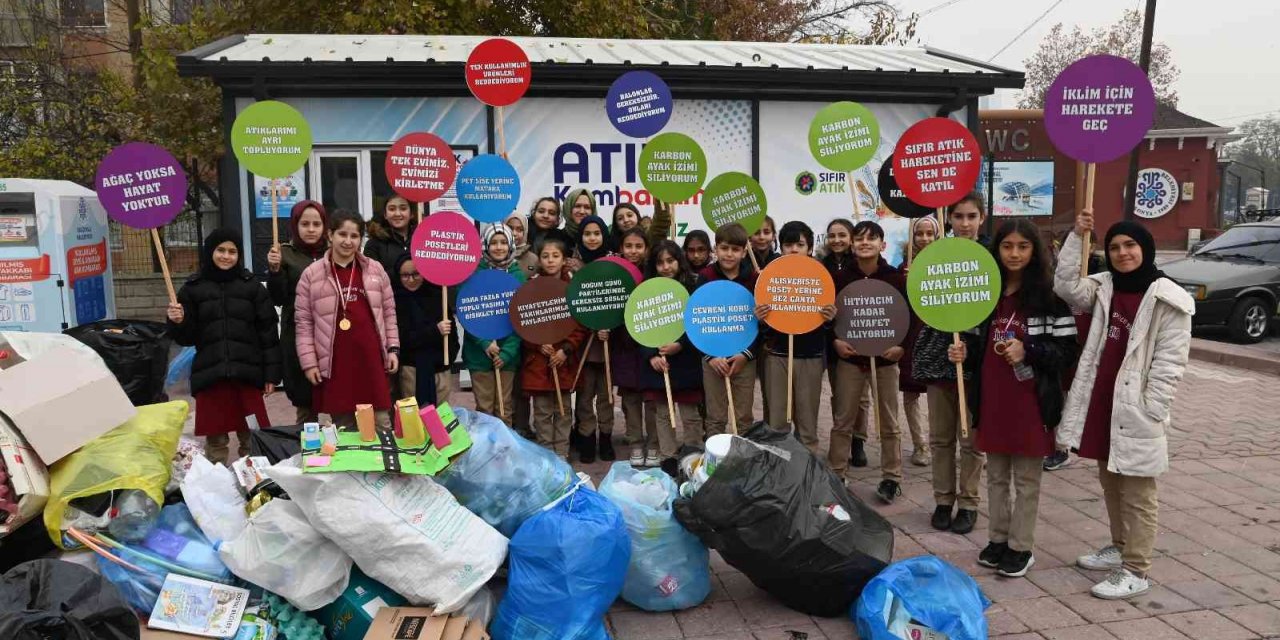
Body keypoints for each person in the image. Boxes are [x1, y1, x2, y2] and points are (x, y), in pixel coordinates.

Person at [1055, 211, 1193, 600]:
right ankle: (1119, 545)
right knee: (1111, 482)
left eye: (1130, 245)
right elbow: (1065, 286)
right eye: (1114, 246)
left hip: (1136, 407)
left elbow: (1171, 360)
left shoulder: (1169, 297)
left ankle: (1136, 568)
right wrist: (1076, 237)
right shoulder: (1103, 286)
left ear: (1145, 248)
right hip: (1102, 402)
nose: (1122, 252)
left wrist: (1152, 407)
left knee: (1138, 491)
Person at [949, 219, 1079, 578]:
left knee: (1025, 480)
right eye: (1007, 246)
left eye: (1023, 246)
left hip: (1031, 402)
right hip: (993, 399)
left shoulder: (1052, 300)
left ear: (1035, 251)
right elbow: (978, 346)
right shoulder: (986, 295)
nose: (1015, 254)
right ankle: (997, 539)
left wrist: (1030, 349)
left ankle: (1021, 547)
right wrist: (965, 353)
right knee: (995, 477)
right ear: (997, 250)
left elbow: (1067, 352)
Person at [167, 229, 280, 464]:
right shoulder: (193, 289)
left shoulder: (252, 288)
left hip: (248, 376)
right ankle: (218, 485)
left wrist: (271, 374)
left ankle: (254, 485)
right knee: (216, 442)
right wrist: (177, 321)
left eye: (232, 251)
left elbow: (268, 334)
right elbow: (186, 338)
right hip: (211, 376)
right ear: (210, 252)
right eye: (221, 250)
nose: (226, 256)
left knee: (252, 437)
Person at [912, 193, 988, 535]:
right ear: (949, 219)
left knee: (971, 439)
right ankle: (943, 500)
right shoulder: (936, 257)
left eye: (971, 216)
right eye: (958, 216)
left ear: (982, 218)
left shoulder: (991, 257)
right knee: (941, 437)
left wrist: (973, 347)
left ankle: (969, 502)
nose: (965, 223)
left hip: (978, 362)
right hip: (939, 360)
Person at [296, 210, 399, 430]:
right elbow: (304, 323)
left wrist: (393, 349)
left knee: (381, 423)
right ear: (330, 235)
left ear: (361, 239)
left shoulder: (375, 270)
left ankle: (382, 463)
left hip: (371, 360)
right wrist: (309, 363)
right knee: (345, 427)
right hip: (335, 363)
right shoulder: (311, 274)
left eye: (354, 236)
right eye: (342, 234)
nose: (348, 241)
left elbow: (389, 312)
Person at [829, 221, 907, 504]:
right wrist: (835, 341)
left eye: (871, 239)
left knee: (889, 421)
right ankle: (836, 474)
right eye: (859, 239)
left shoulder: (895, 278)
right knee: (843, 420)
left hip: (885, 362)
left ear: (882, 245)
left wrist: (901, 347)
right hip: (851, 360)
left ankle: (891, 477)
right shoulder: (840, 278)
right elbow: (829, 319)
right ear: (851, 245)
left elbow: (908, 319)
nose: (864, 243)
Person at [756, 221, 834, 456]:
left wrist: (830, 318)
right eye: (788, 244)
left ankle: (807, 472)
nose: (793, 250)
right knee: (777, 421)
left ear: (809, 248)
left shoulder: (821, 275)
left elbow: (830, 322)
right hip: (778, 354)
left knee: (807, 421)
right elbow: (762, 325)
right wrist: (761, 318)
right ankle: (778, 472)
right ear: (781, 247)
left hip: (810, 356)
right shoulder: (770, 275)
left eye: (800, 244)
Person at [520, 235, 589, 458]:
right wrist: (537, 344)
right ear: (539, 260)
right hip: (539, 364)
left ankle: (562, 453)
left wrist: (565, 349)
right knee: (541, 411)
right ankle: (546, 456)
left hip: (564, 362)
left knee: (563, 410)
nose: (550, 261)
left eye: (555, 256)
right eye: (545, 256)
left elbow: (581, 324)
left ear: (564, 260)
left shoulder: (572, 287)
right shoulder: (530, 287)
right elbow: (523, 321)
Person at [640, 241, 704, 473]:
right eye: (660, 262)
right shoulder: (646, 290)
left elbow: (698, 323)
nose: (666, 267)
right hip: (660, 363)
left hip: (686, 361)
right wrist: (650, 356)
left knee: (690, 414)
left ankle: (693, 455)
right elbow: (638, 327)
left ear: (679, 261)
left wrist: (680, 345)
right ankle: (667, 456)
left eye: (670, 261)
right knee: (663, 414)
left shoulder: (692, 287)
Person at [266, 200, 327, 423]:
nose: (311, 229)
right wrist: (274, 271)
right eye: (305, 224)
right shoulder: (284, 253)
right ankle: (307, 450)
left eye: (316, 224)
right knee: (306, 401)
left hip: (331, 333)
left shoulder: (333, 252)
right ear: (295, 225)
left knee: (337, 398)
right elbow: (278, 298)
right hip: (299, 332)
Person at [695, 223, 758, 436]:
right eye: (724, 248)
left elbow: (761, 322)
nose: (729, 254)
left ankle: (743, 461)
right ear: (715, 249)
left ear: (744, 251)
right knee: (715, 417)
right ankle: (715, 465)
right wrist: (711, 356)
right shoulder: (706, 276)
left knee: (743, 417)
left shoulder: (754, 279)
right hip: (713, 358)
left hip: (744, 357)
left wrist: (746, 354)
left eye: (735, 249)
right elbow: (697, 319)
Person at [821, 218, 873, 467]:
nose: (837, 240)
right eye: (832, 235)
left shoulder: (861, 265)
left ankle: (858, 440)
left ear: (851, 238)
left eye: (842, 235)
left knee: (862, 397)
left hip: (861, 337)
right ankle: (843, 437)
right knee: (840, 395)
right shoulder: (821, 266)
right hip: (833, 340)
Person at [463, 224, 525, 426]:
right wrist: (484, 343)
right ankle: (486, 453)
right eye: (494, 243)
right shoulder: (474, 274)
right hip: (479, 355)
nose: (499, 247)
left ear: (511, 244)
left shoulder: (517, 276)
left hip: (507, 355)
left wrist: (507, 352)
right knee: (484, 410)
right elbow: (467, 312)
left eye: (503, 242)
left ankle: (504, 452)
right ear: (486, 245)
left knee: (505, 409)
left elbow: (521, 318)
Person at [611, 227, 659, 465]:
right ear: (621, 248)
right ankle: (635, 443)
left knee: (651, 400)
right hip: (625, 347)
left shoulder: (653, 275)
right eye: (628, 246)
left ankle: (654, 444)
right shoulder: (614, 274)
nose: (633, 251)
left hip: (649, 345)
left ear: (646, 249)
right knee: (630, 399)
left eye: (638, 246)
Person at [573, 215, 616, 463]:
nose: (592, 238)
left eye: (596, 233)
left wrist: (609, 327)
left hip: (606, 342)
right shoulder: (572, 265)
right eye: (587, 233)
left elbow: (619, 299)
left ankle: (606, 437)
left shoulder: (613, 263)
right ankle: (587, 438)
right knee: (584, 396)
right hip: (583, 345)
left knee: (606, 395)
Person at [899, 216, 939, 466]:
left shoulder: (948, 262)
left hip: (940, 335)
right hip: (912, 334)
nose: (924, 238)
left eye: (929, 233)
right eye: (919, 233)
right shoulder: (904, 266)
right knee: (911, 392)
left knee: (942, 394)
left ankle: (943, 443)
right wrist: (906, 281)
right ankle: (920, 444)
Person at [392, 254, 457, 408]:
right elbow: (402, 338)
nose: (411, 280)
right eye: (405, 276)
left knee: (442, 418)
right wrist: (434, 331)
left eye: (416, 274)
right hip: (411, 368)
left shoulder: (438, 295)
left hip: (440, 367)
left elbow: (451, 332)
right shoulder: (395, 300)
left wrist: (450, 358)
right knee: (413, 419)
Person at [364, 195, 416, 277]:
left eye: (403, 209)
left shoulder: (424, 241)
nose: (397, 214)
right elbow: (372, 279)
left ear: (411, 214)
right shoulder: (373, 245)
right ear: (385, 215)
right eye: (392, 209)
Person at [562, 188, 597, 272]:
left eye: (587, 207)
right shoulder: (556, 238)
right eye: (577, 206)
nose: (582, 211)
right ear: (569, 208)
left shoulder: (602, 238)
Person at [506, 211, 537, 283]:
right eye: (510, 228)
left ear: (525, 231)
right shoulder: (495, 255)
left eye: (519, 229)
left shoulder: (533, 259)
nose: (514, 233)